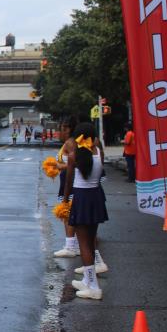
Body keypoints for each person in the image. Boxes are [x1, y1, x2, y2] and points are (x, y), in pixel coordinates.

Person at [62, 122, 107, 300]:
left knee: (84, 244)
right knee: (91, 240)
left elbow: (68, 181)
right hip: (96, 196)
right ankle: (88, 281)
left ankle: (93, 287)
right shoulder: (99, 153)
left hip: (81, 197)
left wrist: (65, 200)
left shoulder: (74, 156)